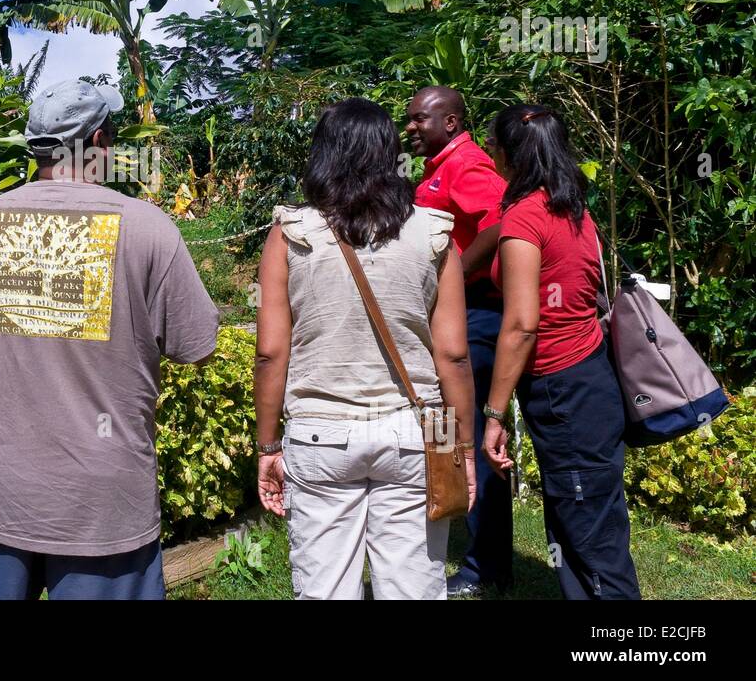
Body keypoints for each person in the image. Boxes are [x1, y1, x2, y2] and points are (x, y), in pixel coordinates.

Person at [0, 78, 219, 600]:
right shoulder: (149, 229)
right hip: (103, 503)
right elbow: (196, 347)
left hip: (6, 494)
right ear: (101, 142)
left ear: (35, 144)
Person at [254, 98, 476, 600]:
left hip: (320, 429)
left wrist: (268, 446)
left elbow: (271, 352)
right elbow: (454, 356)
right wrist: (463, 449)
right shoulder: (435, 232)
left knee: (326, 587)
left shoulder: (291, 232)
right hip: (423, 429)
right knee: (415, 586)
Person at [481, 104, 640, 600]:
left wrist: (494, 413)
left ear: (508, 155)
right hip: (590, 378)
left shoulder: (525, 217)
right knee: (585, 521)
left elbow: (523, 325)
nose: (488, 152)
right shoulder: (572, 209)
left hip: (563, 391)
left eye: (492, 144)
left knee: (588, 534)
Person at [405, 85, 512, 596]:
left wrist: (455, 277)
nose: (409, 127)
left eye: (418, 119)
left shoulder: (467, 164)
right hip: (456, 313)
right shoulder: (437, 165)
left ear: (449, 122)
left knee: (462, 431)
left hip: (474, 315)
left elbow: (501, 220)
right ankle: (458, 542)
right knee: (447, 429)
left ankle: (484, 564)